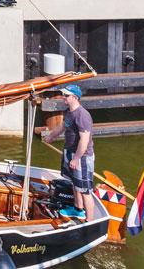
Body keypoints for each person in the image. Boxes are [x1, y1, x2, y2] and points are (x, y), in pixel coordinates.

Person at [43, 84, 95, 220]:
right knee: (74, 183)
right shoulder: (69, 112)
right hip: (70, 152)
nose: (63, 97)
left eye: (66, 95)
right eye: (63, 95)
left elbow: (84, 139)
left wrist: (76, 159)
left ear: (75, 97)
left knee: (85, 190)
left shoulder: (82, 115)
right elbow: (62, 127)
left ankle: (90, 221)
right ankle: (78, 209)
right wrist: (51, 136)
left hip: (82, 157)